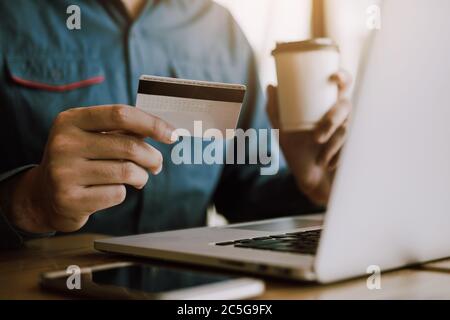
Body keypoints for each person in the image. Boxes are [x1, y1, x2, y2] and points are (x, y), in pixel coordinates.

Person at [0, 0, 351, 249]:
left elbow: (246, 191)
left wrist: (311, 186)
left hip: (197, 292)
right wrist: (29, 203)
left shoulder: (220, 29)